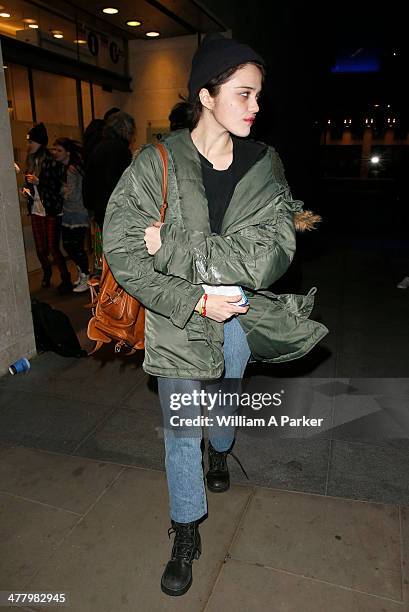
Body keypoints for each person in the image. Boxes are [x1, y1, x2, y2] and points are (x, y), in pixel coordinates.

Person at [103, 33, 326, 597]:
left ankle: (221, 452)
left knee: (225, 396)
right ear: (206, 95)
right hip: (178, 316)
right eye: (245, 94)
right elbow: (124, 248)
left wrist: (175, 246)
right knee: (181, 430)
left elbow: (271, 253)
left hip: (240, 314)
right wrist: (192, 297)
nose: (257, 107)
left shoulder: (264, 162)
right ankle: (185, 529)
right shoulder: (156, 162)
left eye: (258, 96)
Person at [24, 122, 72, 293]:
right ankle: (47, 273)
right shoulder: (30, 160)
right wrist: (27, 190)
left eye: (32, 142)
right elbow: (29, 183)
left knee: (52, 246)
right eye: (29, 142)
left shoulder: (51, 161)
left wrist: (40, 182)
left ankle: (65, 277)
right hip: (36, 209)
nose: (29, 145)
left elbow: (57, 185)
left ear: (40, 142)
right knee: (40, 248)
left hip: (51, 209)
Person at [83, 110, 135, 230]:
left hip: (99, 208)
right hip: (114, 209)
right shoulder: (120, 149)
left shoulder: (99, 146)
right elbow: (122, 182)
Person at [53, 138, 90, 292]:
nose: (55, 153)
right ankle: (83, 274)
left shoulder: (71, 170)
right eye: (54, 150)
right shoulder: (66, 168)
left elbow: (73, 194)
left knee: (73, 246)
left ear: (68, 153)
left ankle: (85, 276)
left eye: (59, 150)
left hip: (77, 212)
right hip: (71, 212)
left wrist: (60, 190)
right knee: (72, 246)